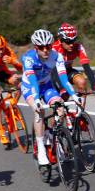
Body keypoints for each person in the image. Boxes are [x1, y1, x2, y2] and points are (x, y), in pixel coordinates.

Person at [21, 29, 80, 179]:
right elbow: (33, 81)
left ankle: (56, 135)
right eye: (41, 48)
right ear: (36, 48)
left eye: (48, 46)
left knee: (60, 107)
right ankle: (41, 149)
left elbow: (63, 79)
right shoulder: (28, 58)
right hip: (30, 87)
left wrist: (73, 94)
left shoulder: (57, 56)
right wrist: (35, 100)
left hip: (46, 86)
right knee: (38, 112)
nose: (46, 50)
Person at [51, 23, 95, 97]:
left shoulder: (78, 47)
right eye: (68, 42)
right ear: (61, 40)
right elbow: (53, 71)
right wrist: (62, 88)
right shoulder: (54, 49)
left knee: (82, 82)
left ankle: (81, 108)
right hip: (55, 74)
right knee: (63, 98)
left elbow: (87, 68)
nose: (71, 45)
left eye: (73, 41)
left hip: (68, 71)